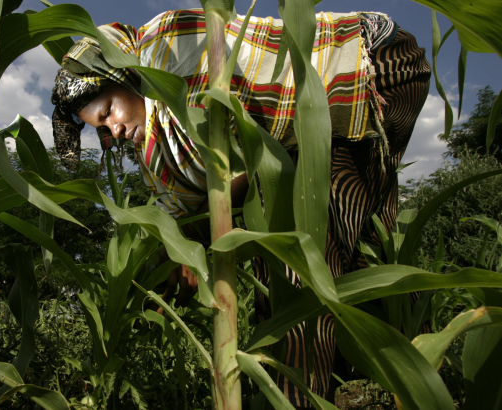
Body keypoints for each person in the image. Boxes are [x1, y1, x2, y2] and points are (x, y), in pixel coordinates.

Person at [51, 9, 430, 407]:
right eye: (101, 128)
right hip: (322, 124)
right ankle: (394, 378)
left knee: (295, 251)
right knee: (361, 249)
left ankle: (298, 397)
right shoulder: (160, 149)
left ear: (125, 75)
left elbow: (239, 168)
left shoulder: (166, 53)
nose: (114, 130)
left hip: (370, 64)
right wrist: (172, 256)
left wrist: (188, 239)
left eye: (109, 110)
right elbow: (187, 206)